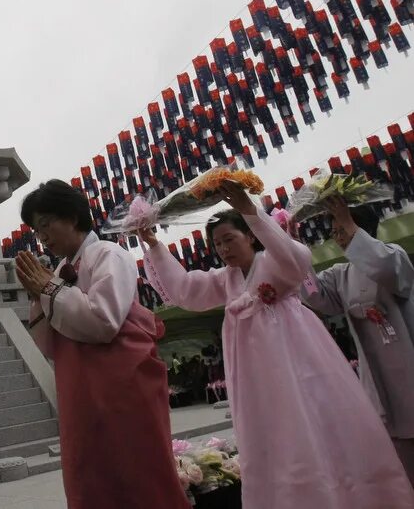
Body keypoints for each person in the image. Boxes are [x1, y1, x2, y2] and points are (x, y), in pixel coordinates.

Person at [140, 181, 414, 509]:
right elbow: (185, 290)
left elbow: (298, 258)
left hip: (298, 365)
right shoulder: (224, 279)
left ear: (252, 236)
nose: (224, 249)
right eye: (218, 245)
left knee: (313, 426)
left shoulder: (275, 262)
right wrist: (154, 244)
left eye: (230, 239)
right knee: (277, 440)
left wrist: (250, 211)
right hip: (258, 382)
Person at [15, 180, 189, 509]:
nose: (43, 238)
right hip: (81, 390)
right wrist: (39, 295)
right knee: (90, 475)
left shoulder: (109, 254)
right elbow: (52, 347)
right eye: (37, 233)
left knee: (137, 473)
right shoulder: (61, 271)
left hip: (120, 389)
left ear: (71, 216)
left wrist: (49, 292)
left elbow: (104, 322)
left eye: (45, 225)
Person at [302, 195, 414, 484]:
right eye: (336, 231)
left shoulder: (394, 256)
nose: (336, 237)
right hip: (377, 376)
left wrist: (349, 224)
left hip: (408, 367)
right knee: (400, 461)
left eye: (340, 229)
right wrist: (295, 254)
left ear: (359, 229)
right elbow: (315, 294)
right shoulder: (341, 275)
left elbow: (384, 268)